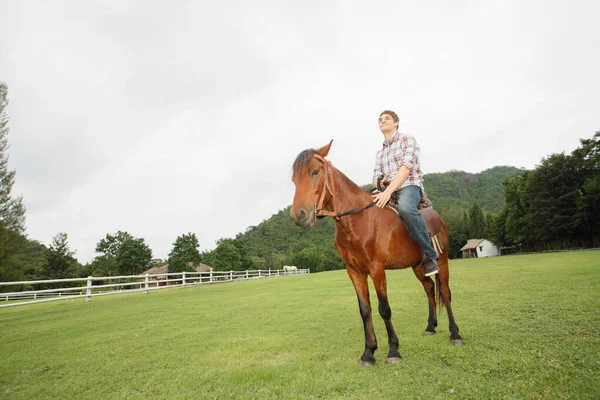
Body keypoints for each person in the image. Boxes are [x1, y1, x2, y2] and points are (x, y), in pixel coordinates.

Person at [371, 110, 439, 276]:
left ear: (396, 123)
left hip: (409, 186)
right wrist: (380, 182)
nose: (382, 121)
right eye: (380, 119)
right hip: (388, 189)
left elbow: (406, 168)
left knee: (406, 208)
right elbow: (375, 177)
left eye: (387, 118)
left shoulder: (407, 140)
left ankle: (430, 256)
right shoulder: (379, 153)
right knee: (365, 206)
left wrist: (388, 191)